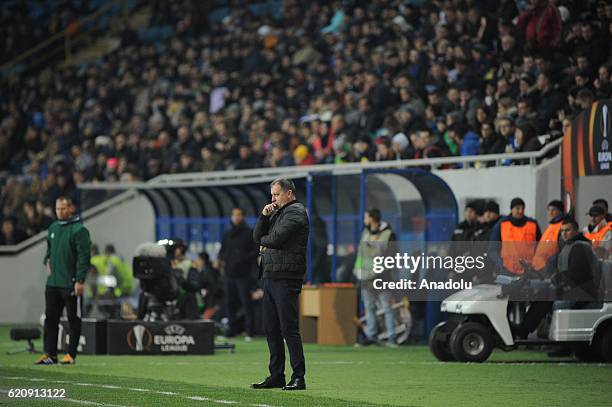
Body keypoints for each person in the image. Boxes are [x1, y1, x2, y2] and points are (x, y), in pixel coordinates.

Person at [252, 178, 309, 391]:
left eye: (276, 194)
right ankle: (276, 375)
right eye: (272, 195)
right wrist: (263, 216)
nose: (272, 199)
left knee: (289, 329)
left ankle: (299, 377)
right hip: (271, 275)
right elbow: (257, 236)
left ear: (289, 193)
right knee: (272, 329)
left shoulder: (296, 212)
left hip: (286, 276)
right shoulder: (277, 212)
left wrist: (264, 240)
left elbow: (274, 239)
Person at [514, 219, 598, 339]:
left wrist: (556, 278)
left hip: (582, 290)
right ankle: (525, 329)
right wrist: (541, 271)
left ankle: (526, 330)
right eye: (562, 231)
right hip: (571, 286)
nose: (564, 233)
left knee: (548, 294)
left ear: (576, 230)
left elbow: (577, 272)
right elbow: (552, 262)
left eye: (567, 230)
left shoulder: (581, 246)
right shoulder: (568, 245)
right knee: (544, 293)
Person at [35, 196, 91, 365]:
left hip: (71, 283)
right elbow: (49, 249)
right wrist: (47, 261)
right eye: (58, 209)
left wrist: (80, 280)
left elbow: (84, 257)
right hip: (53, 283)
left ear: (71, 208)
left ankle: (71, 355)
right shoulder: (53, 228)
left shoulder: (79, 230)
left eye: (63, 209)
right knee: (50, 319)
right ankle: (50, 354)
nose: (60, 212)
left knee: (73, 319)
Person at [353, 208, 397, 346]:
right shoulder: (365, 233)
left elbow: (392, 256)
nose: (364, 219)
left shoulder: (389, 234)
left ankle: (392, 337)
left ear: (372, 218)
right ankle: (371, 337)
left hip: (382, 277)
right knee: (369, 307)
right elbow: (360, 254)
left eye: (366, 216)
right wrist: (357, 270)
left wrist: (380, 270)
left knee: (387, 307)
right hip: (366, 276)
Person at [218, 207, 258, 340]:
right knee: (230, 303)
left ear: (243, 216)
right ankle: (231, 331)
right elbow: (222, 251)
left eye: (239, 215)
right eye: (234, 215)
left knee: (246, 304)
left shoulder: (249, 233)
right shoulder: (227, 233)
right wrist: (224, 260)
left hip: (244, 275)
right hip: (229, 274)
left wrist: (242, 258)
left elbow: (255, 252)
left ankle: (249, 332)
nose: (236, 217)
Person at [489, 197, 541, 275]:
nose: (520, 211)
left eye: (522, 208)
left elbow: (540, 247)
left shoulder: (532, 225)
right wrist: (501, 264)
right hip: (507, 271)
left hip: (529, 271)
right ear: (512, 209)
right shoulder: (501, 225)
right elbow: (492, 249)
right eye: (517, 208)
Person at [532, 200, 564, 270]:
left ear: (560, 211)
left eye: (553, 210)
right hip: (540, 266)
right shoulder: (552, 225)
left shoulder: (562, 226)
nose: (550, 213)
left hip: (549, 267)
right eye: (549, 210)